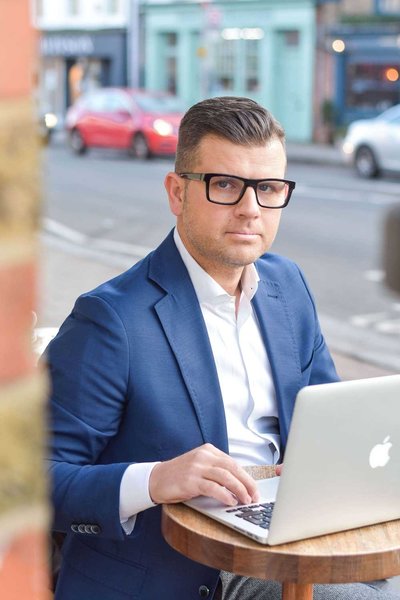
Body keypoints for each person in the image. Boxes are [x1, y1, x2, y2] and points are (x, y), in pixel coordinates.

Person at [46, 96, 400, 600]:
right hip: (184, 568)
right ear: (177, 192)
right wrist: (156, 479)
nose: (250, 210)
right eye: (226, 185)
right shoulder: (111, 319)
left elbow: (332, 419)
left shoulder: (287, 285)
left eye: (269, 188)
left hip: (292, 531)